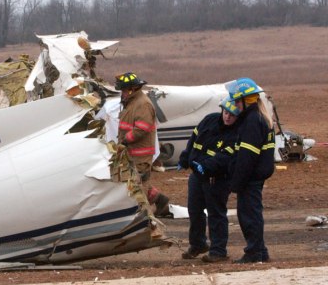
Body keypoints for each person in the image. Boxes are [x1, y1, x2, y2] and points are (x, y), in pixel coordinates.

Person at [178, 97, 241, 262]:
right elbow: (194, 139)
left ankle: (218, 251)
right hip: (197, 175)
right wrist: (185, 158)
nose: (227, 117)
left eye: (232, 115)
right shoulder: (209, 120)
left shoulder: (237, 133)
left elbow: (225, 157)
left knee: (216, 213)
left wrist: (204, 166)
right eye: (226, 112)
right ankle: (198, 244)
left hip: (217, 178)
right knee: (194, 210)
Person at [228, 77, 275, 263]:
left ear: (248, 100)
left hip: (250, 178)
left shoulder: (252, 121)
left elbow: (247, 157)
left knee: (249, 215)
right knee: (251, 213)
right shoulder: (257, 117)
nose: (236, 105)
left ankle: (254, 252)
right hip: (254, 177)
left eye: (238, 101)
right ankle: (260, 251)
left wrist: (236, 182)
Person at [114, 72, 170, 217]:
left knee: (137, 185)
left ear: (132, 89)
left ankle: (144, 219)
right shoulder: (132, 103)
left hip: (140, 154)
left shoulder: (142, 104)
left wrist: (125, 140)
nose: (123, 93)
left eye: (124, 90)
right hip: (131, 152)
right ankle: (159, 200)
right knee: (138, 182)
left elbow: (142, 129)